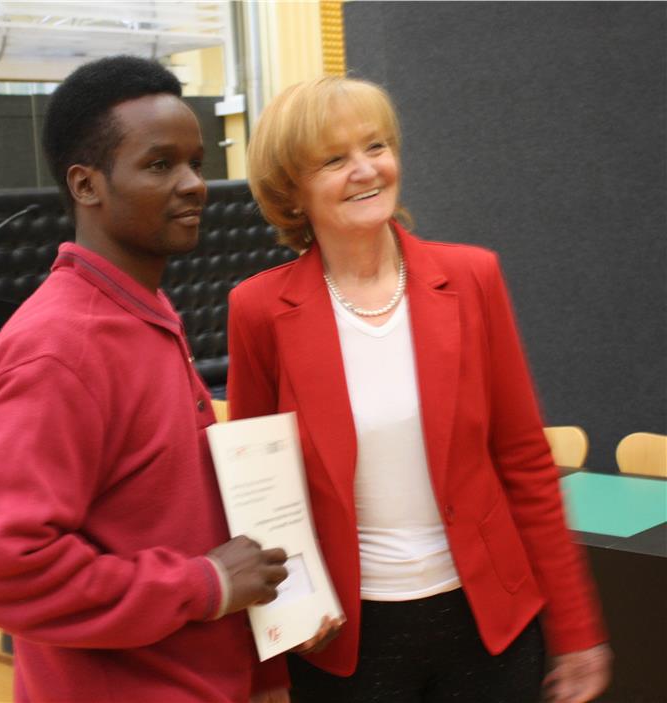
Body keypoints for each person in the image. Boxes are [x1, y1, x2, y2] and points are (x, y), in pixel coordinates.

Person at [226, 76, 612, 703]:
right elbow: (257, 500)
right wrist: (268, 666)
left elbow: (524, 462)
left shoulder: (472, 277)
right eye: (334, 159)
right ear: (292, 191)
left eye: (375, 146)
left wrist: (577, 632)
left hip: (488, 626)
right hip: (344, 640)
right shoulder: (259, 309)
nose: (365, 170)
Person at [0, 55, 290, 703]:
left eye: (196, 162)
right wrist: (203, 584)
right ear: (86, 185)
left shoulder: (142, 310)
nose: (195, 184)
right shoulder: (58, 349)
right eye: (160, 165)